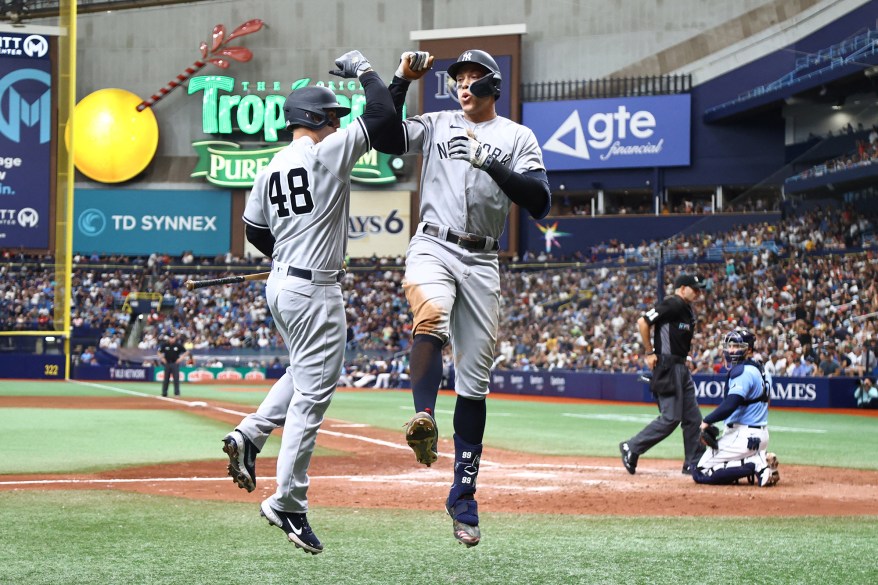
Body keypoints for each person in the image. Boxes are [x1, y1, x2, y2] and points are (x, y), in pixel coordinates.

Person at [220, 49, 401, 555]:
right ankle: (288, 503)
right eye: (332, 117)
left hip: (281, 284)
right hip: (314, 290)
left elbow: (255, 229)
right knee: (312, 399)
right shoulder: (326, 153)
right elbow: (383, 117)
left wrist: (288, 252)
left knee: (303, 373)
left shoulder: (271, 165)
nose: (337, 124)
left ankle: (250, 435)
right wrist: (365, 69)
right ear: (315, 120)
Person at [385, 49, 551, 547]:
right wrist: (399, 81)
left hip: (482, 258)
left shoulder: (516, 136)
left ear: (493, 87)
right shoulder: (436, 122)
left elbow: (540, 202)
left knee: (475, 382)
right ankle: (424, 418)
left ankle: (463, 494)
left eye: (474, 77)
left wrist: (491, 163)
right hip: (433, 241)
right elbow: (384, 137)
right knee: (430, 314)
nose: (463, 84)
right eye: (458, 76)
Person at [619, 273, 707, 476]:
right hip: (668, 366)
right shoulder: (673, 304)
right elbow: (643, 322)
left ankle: (693, 461)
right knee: (670, 418)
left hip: (680, 367)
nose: (698, 292)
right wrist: (649, 352)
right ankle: (631, 447)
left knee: (693, 418)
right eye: (694, 289)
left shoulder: (686, 308)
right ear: (682, 288)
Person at [692, 328, 780, 487]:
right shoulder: (762, 369)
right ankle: (759, 457)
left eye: (736, 346)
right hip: (759, 434)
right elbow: (766, 401)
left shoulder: (743, 371)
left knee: (701, 471)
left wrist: (707, 421)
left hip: (743, 435)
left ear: (749, 349)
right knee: (717, 465)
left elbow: (731, 404)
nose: (731, 350)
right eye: (730, 346)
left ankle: (756, 463)